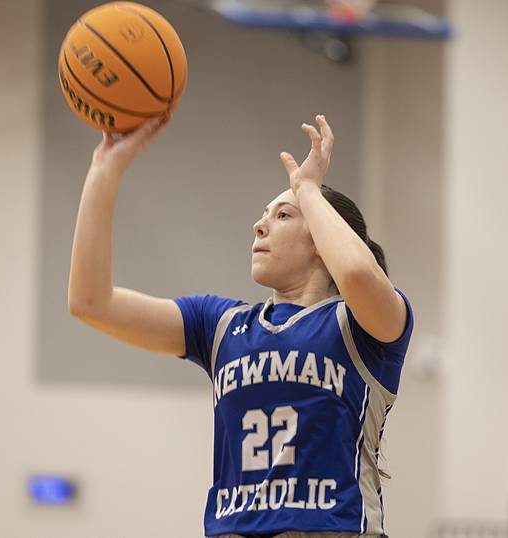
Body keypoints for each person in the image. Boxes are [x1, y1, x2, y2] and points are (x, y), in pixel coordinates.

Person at [68, 113, 414, 538]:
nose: (260, 224)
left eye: (284, 215)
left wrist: (307, 190)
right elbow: (90, 302)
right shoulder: (219, 326)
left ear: (324, 242)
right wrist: (104, 170)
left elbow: (358, 275)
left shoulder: (363, 327)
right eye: (265, 215)